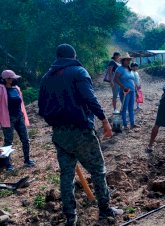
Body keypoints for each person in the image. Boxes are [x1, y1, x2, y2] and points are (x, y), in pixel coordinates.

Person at [38, 44, 123, 225]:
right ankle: (105, 209)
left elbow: (41, 108)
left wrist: (57, 123)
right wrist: (104, 120)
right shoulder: (78, 71)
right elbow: (89, 98)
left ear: (57, 57)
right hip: (81, 131)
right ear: (73, 55)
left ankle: (71, 216)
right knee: (98, 170)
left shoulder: (46, 77)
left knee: (66, 175)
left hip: (59, 134)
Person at [0, 70, 35, 171]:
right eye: (12, 78)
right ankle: (7, 164)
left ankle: (27, 160)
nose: (15, 79)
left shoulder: (17, 89)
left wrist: (23, 115)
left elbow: (21, 104)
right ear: (7, 79)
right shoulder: (1, 89)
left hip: (19, 117)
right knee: (8, 142)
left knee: (25, 139)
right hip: (8, 118)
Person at [114, 54, 140, 130]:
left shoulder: (130, 70)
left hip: (132, 91)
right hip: (125, 91)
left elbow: (133, 81)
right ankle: (125, 125)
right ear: (123, 61)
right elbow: (116, 79)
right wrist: (123, 87)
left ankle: (132, 123)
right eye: (127, 60)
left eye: (129, 60)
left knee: (131, 108)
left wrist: (136, 91)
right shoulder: (119, 69)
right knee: (124, 108)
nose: (128, 61)